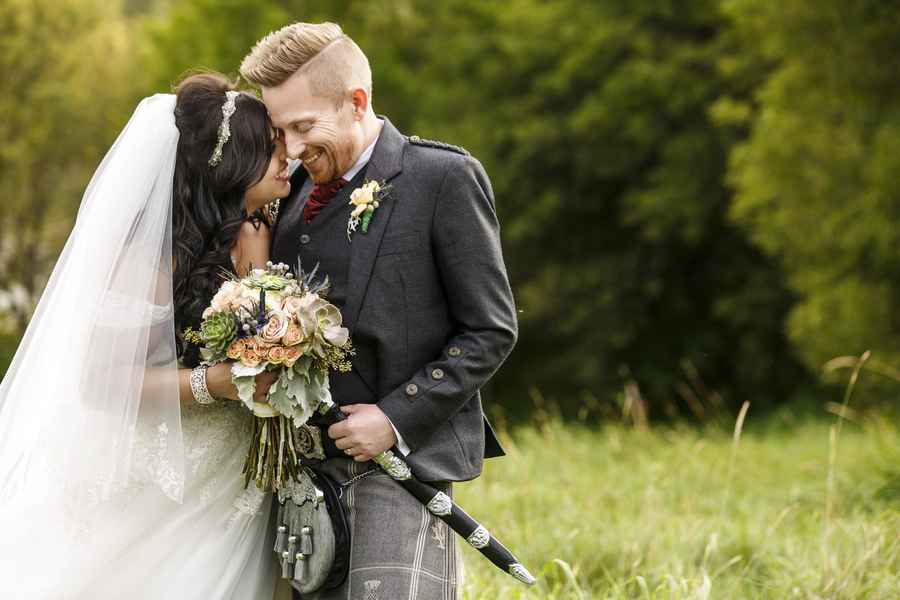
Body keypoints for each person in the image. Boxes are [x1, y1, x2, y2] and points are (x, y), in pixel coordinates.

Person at [240, 22, 518, 599]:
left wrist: (393, 419)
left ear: (357, 102)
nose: (290, 149)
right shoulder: (284, 195)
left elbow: (491, 329)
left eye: (303, 127)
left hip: (404, 470)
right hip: (302, 479)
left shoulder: (443, 178)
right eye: (279, 131)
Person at [0, 72, 291, 599]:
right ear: (230, 164)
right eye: (270, 149)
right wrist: (215, 383)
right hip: (168, 472)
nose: (286, 156)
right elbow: (101, 380)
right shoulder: (149, 255)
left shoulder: (257, 227)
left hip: (238, 476)